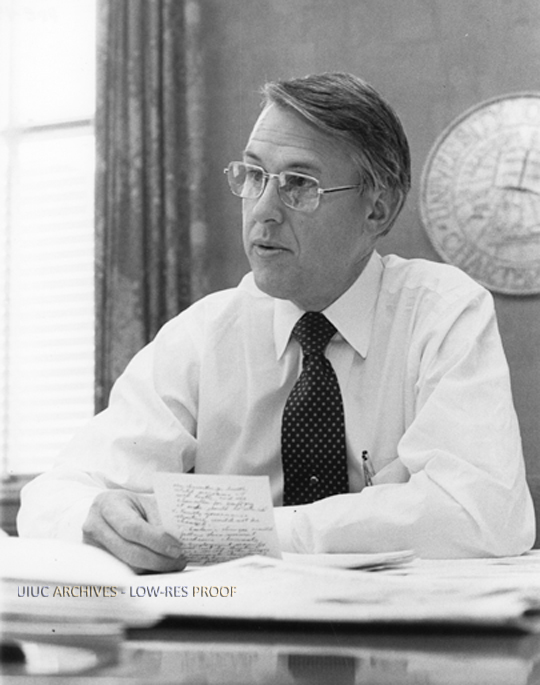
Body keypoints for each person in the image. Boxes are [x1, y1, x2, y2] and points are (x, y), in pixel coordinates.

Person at [18, 72, 535, 572]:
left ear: (377, 210)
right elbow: (54, 497)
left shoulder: (442, 313)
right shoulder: (203, 335)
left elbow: (482, 516)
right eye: (253, 175)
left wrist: (249, 531)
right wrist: (97, 517)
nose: (262, 211)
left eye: (298, 185)